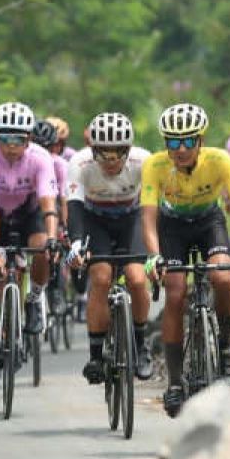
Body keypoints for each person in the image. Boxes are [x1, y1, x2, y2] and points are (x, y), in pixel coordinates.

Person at [140, 103, 230, 418]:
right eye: (173, 142)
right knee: (175, 293)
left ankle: (227, 346)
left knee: (221, 277)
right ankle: (175, 382)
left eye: (188, 141)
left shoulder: (219, 160)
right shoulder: (154, 165)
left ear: (200, 141)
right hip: (172, 226)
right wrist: (154, 257)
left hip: (209, 223)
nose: (180, 149)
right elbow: (148, 218)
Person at [0, 102, 61, 396]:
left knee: (41, 248)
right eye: (5, 139)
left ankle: (35, 298)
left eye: (19, 140)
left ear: (30, 139)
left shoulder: (40, 159)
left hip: (28, 214)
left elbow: (49, 204)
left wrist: (51, 239)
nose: (12, 147)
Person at [65, 112, 154, 383]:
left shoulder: (144, 160)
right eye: (104, 155)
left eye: (118, 155)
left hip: (132, 219)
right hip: (95, 220)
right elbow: (75, 208)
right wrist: (77, 244)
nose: (111, 162)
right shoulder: (79, 163)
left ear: (128, 150)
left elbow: (152, 207)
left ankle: (140, 345)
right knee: (101, 278)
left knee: (138, 280)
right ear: (93, 151)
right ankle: (95, 356)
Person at [32, 118, 69, 231]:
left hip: (49, 209)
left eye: (47, 148)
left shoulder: (60, 164)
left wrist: (67, 230)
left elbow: (64, 200)